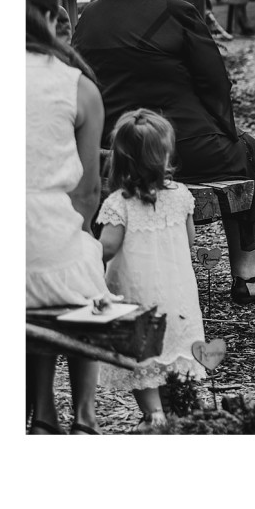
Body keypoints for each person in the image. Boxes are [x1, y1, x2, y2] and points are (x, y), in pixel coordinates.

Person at [73, 0, 255, 305]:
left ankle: (99, 269)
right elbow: (215, 84)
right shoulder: (179, 12)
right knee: (251, 152)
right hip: (180, 146)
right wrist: (225, 131)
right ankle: (246, 277)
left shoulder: (90, 15)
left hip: (111, 147)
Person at [26, 0, 113, 434]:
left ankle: (41, 414)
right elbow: (86, 193)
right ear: (49, 17)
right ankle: (85, 416)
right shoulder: (79, 87)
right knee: (83, 275)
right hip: (51, 236)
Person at [97, 109, 207, 429]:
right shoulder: (182, 196)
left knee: (141, 356)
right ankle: (179, 410)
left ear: (120, 159)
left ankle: (154, 414)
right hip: (177, 292)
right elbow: (189, 240)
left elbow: (107, 247)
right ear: (166, 155)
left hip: (136, 295)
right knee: (173, 347)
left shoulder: (119, 203)